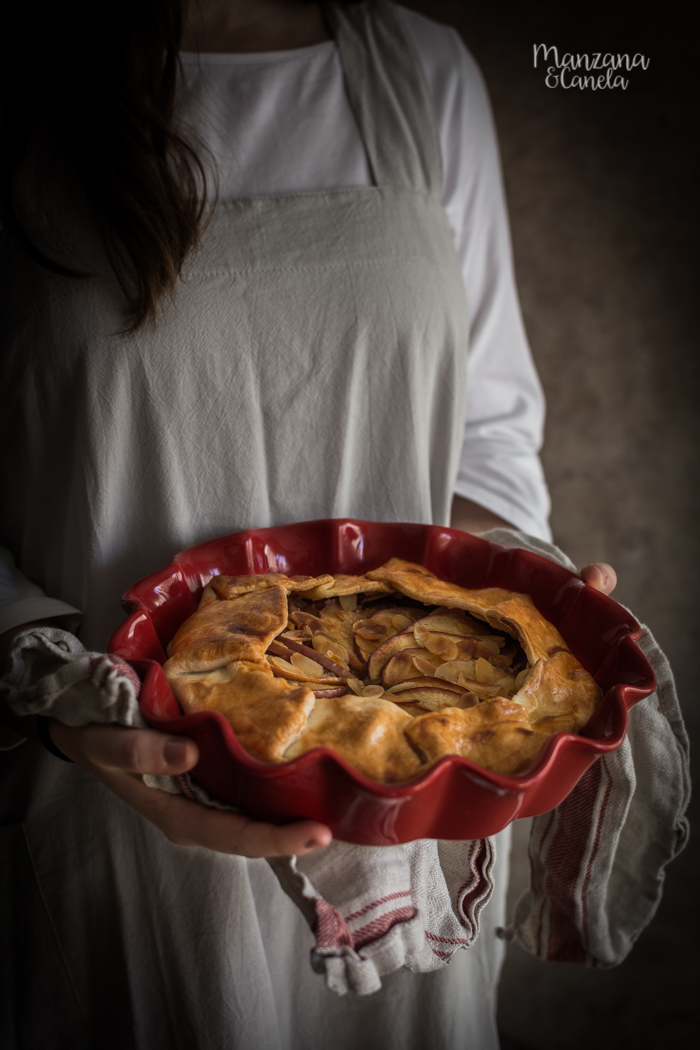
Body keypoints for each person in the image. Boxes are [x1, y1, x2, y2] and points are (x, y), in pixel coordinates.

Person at [0, 2, 618, 1047]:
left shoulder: (422, 73)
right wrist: (50, 689)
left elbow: (490, 427)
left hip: (409, 813)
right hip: (112, 813)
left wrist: (518, 591)